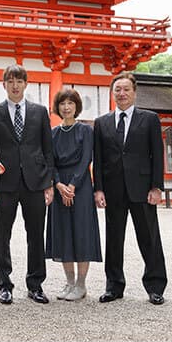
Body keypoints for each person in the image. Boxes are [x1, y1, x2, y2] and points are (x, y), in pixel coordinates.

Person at [92, 71, 168, 305]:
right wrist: (98, 189)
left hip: (142, 188)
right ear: (112, 93)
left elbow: (157, 154)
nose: (122, 93)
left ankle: (155, 286)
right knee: (114, 239)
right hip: (113, 188)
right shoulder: (102, 122)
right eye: (117, 89)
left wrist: (156, 187)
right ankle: (114, 286)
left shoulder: (150, 119)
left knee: (149, 238)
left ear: (134, 92)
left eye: (126, 89)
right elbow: (98, 158)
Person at [0, 64, 55, 305]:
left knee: (35, 234)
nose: (15, 85)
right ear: (4, 84)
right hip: (5, 183)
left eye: (19, 81)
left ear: (26, 84)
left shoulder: (40, 111)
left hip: (35, 181)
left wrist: (49, 182)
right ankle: (5, 284)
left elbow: (48, 149)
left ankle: (35, 285)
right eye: (11, 81)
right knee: (2, 234)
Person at [45, 88, 102, 301]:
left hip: (81, 185)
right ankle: (69, 282)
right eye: (62, 103)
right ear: (57, 107)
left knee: (81, 231)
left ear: (76, 106)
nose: (66, 107)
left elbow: (86, 158)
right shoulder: (53, 133)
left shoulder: (86, 130)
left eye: (70, 103)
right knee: (63, 233)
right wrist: (59, 184)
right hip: (60, 185)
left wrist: (72, 185)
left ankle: (81, 284)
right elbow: (50, 161)